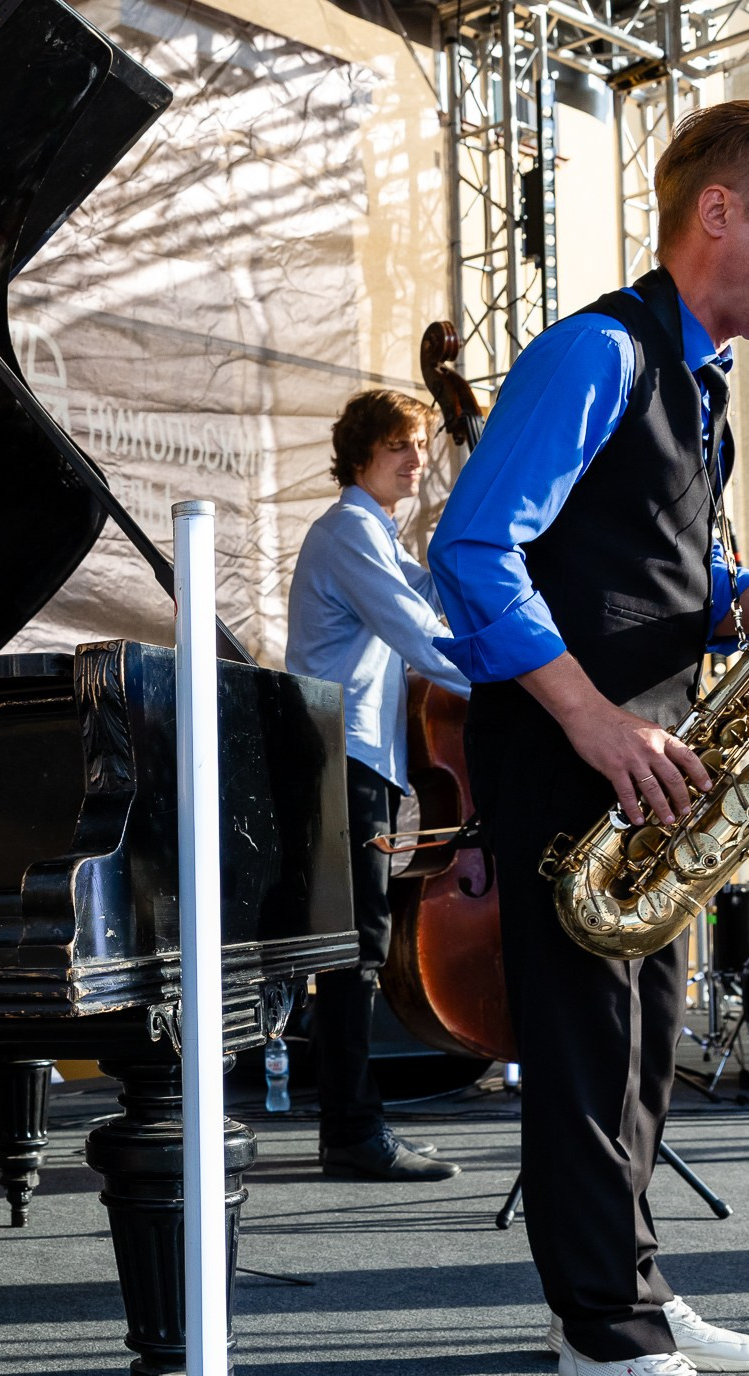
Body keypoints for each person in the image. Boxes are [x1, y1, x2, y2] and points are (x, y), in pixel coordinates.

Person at [427, 101, 749, 1376]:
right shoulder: (595, 353)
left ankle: (630, 1283)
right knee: (578, 1049)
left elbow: (659, 576)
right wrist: (594, 721)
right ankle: (601, 1335)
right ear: (720, 213)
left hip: (654, 762)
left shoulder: (701, 386)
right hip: (585, 753)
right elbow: (473, 553)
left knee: (641, 1045)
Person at [285, 390, 470, 1182]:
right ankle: (353, 1133)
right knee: (352, 952)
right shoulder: (350, 532)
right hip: (341, 757)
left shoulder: (379, 536)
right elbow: (421, 637)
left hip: (361, 759)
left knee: (353, 948)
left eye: (422, 445)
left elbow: (434, 600)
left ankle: (353, 1127)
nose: (416, 458)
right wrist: (528, 686)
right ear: (359, 453)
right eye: (400, 444)